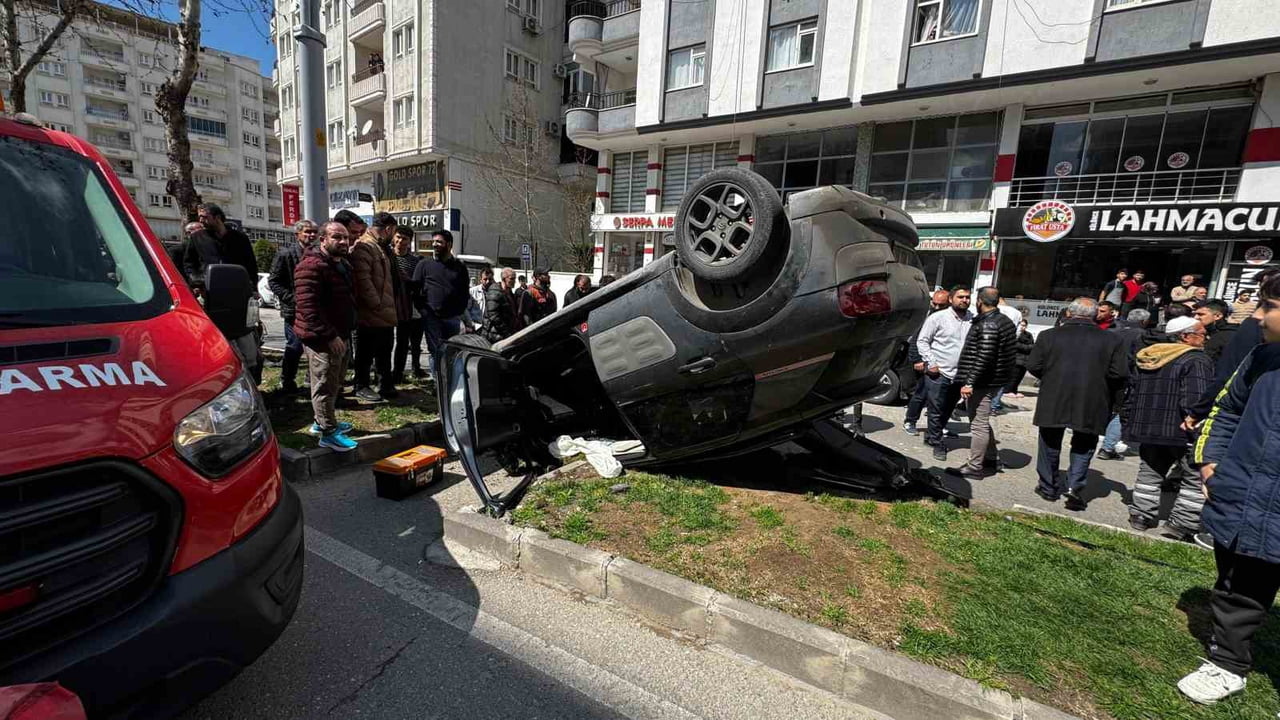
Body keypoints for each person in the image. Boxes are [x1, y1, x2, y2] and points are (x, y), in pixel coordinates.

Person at [1176, 273, 1280, 705]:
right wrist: (1211, 467)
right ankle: (1227, 663)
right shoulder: (1261, 358)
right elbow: (1225, 411)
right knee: (1237, 582)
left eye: (1269, 306)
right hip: (1241, 494)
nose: (1257, 315)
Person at [1025, 298, 1128, 511]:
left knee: (1049, 442)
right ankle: (1075, 485)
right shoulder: (1111, 340)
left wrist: (1052, 376)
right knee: (1085, 443)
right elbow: (1119, 373)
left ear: (1069, 314)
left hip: (1055, 394)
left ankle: (1048, 486)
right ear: (1095, 315)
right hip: (1093, 397)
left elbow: (1034, 365)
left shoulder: (1049, 336)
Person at [1122, 315, 1213, 540]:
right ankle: (1182, 524)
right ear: (1185, 336)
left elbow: (1132, 392)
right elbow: (1196, 397)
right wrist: (1197, 421)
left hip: (1149, 427)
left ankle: (1141, 515)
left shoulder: (1151, 355)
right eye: (1201, 334)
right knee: (1193, 478)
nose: (1205, 338)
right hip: (1182, 430)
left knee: (1150, 472)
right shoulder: (1196, 360)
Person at [293, 221, 359, 452]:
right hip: (322, 338)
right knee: (323, 384)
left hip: (340, 334)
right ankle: (328, 433)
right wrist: (330, 336)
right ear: (323, 240)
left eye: (345, 238)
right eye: (336, 237)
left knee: (335, 381)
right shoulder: (311, 266)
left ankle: (322, 422)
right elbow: (308, 308)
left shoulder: (341, 264)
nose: (343, 242)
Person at [948, 287, 1017, 480]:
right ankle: (990, 458)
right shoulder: (1003, 321)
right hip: (993, 380)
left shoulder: (989, 324)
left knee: (978, 425)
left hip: (983, 382)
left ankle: (975, 466)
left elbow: (984, 356)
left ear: (979, 301)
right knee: (983, 422)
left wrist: (970, 382)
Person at [915, 286, 974, 461]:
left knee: (948, 408)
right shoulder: (937, 318)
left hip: (960, 373)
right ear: (951, 299)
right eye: (960, 297)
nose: (965, 300)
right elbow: (922, 340)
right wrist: (931, 363)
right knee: (935, 408)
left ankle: (933, 434)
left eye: (967, 297)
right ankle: (937, 441)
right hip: (938, 372)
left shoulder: (973, 320)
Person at [347, 211, 400, 403]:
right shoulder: (364, 246)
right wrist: (376, 303)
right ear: (388, 229)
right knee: (366, 351)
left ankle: (384, 383)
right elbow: (363, 280)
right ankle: (361, 384)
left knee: (385, 350)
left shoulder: (379, 247)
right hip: (371, 312)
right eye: (393, 232)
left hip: (383, 311)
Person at [411, 229, 471, 379]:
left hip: (452, 318)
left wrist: (459, 310)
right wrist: (423, 310)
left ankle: (449, 382)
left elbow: (464, 291)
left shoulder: (459, 267)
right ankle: (439, 384)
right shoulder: (424, 265)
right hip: (431, 317)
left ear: (449, 244)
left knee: (450, 352)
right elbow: (415, 289)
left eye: (439, 242)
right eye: (434, 242)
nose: (435, 245)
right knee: (435, 351)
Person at [268, 219, 317, 393]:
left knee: (315, 347)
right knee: (294, 346)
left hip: (314, 310)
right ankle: (287, 380)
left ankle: (311, 380)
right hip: (293, 310)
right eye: (307, 232)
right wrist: (292, 298)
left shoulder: (318, 253)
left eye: (314, 232)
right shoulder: (285, 254)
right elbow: (273, 281)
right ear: (297, 234)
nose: (311, 235)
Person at [902, 290, 951, 436]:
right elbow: (918, 339)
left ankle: (936, 426)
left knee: (941, 399)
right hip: (927, 362)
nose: (936, 307)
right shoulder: (928, 316)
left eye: (940, 305)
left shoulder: (954, 317)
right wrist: (916, 359)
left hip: (946, 363)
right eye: (934, 303)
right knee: (921, 394)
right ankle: (910, 421)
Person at [183, 203, 257, 289]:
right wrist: (198, 282)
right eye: (199, 217)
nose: (201, 220)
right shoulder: (197, 237)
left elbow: (251, 264)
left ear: (217, 217)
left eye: (204, 217)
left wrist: (252, 286)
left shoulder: (240, 238)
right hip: (209, 290)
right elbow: (189, 264)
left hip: (236, 289)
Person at [391, 226, 425, 381]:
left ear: (410, 241)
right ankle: (396, 372)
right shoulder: (388, 258)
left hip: (412, 308)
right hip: (393, 306)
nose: (400, 241)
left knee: (414, 342)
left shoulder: (416, 261)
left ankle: (415, 368)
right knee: (397, 342)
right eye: (398, 237)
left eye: (404, 238)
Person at [482, 267, 522, 342]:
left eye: (514, 278)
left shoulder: (509, 293)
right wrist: (506, 333)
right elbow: (493, 316)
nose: (514, 281)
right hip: (494, 335)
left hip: (505, 335)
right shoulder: (495, 292)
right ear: (504, 279)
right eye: (511, 279)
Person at [1195, 299, 1237, 367]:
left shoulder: (1228, 336)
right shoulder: (1202, 333)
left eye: (1201, 314)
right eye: (1195, 314)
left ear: (1217, 316)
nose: (1196, 317)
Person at [1003, 319, 1035, 399]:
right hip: (1015, 359)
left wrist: (1025, 347)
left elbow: (1032, 346)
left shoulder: (1029, 335)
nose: (1022, 327)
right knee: (1014, 376)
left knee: (1020, 376)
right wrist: (1026, 347)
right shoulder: (1014, 334)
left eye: (1024, 325)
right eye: (1021, 325)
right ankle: (1007, 391)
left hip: (1025, 360)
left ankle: (1014, 390)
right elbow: (1015, 345)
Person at [468, 266, 494, 330]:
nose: (488, 281)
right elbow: (467, 310)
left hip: (489, 328)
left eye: (490, 279)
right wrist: (472, 324)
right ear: (481, 279)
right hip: (476, 327)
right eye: (485, 279)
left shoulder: (495, 293)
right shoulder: (472, 291)